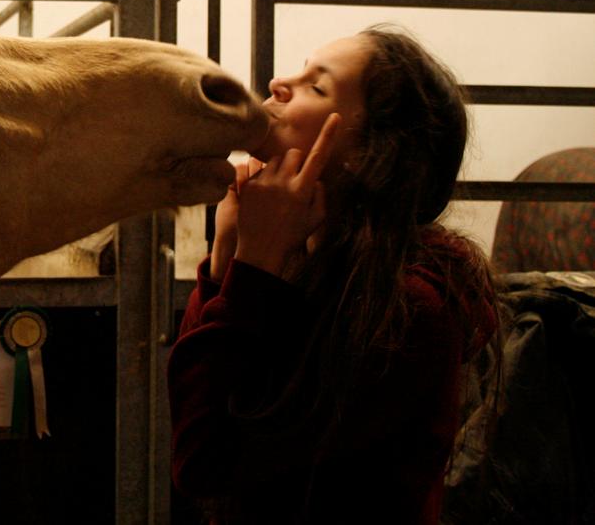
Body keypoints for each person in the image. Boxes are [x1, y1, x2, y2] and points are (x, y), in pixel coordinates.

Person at [168, 26, 500, 524]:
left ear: (369, 155)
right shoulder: (306, 258)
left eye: (315, 86)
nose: (279, 82)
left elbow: (205, 462)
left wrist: (252, 266)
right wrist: (226, 256)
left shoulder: (411, 310)